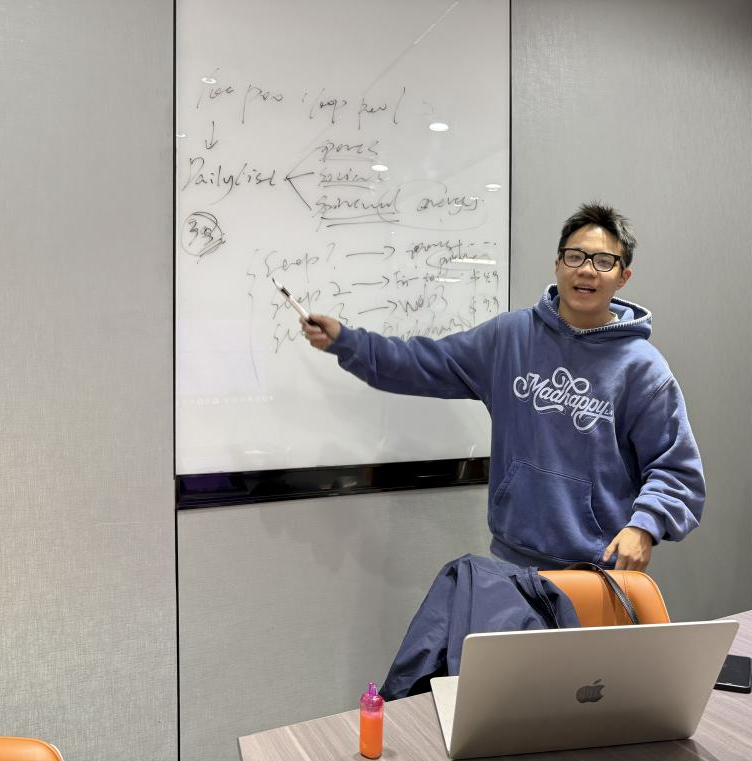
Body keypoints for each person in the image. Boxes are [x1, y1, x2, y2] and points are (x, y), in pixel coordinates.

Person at [301, 203, 704, 571]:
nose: (586, 270)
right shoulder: (511, 337)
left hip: (597, 572)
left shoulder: (643, 369)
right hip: (511, 563)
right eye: (575, 256)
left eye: (603, 261)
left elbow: (677, 470)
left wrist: (644, 525)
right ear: (557, 264)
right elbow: (421, 363)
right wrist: (347, 343)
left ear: (622, 277)